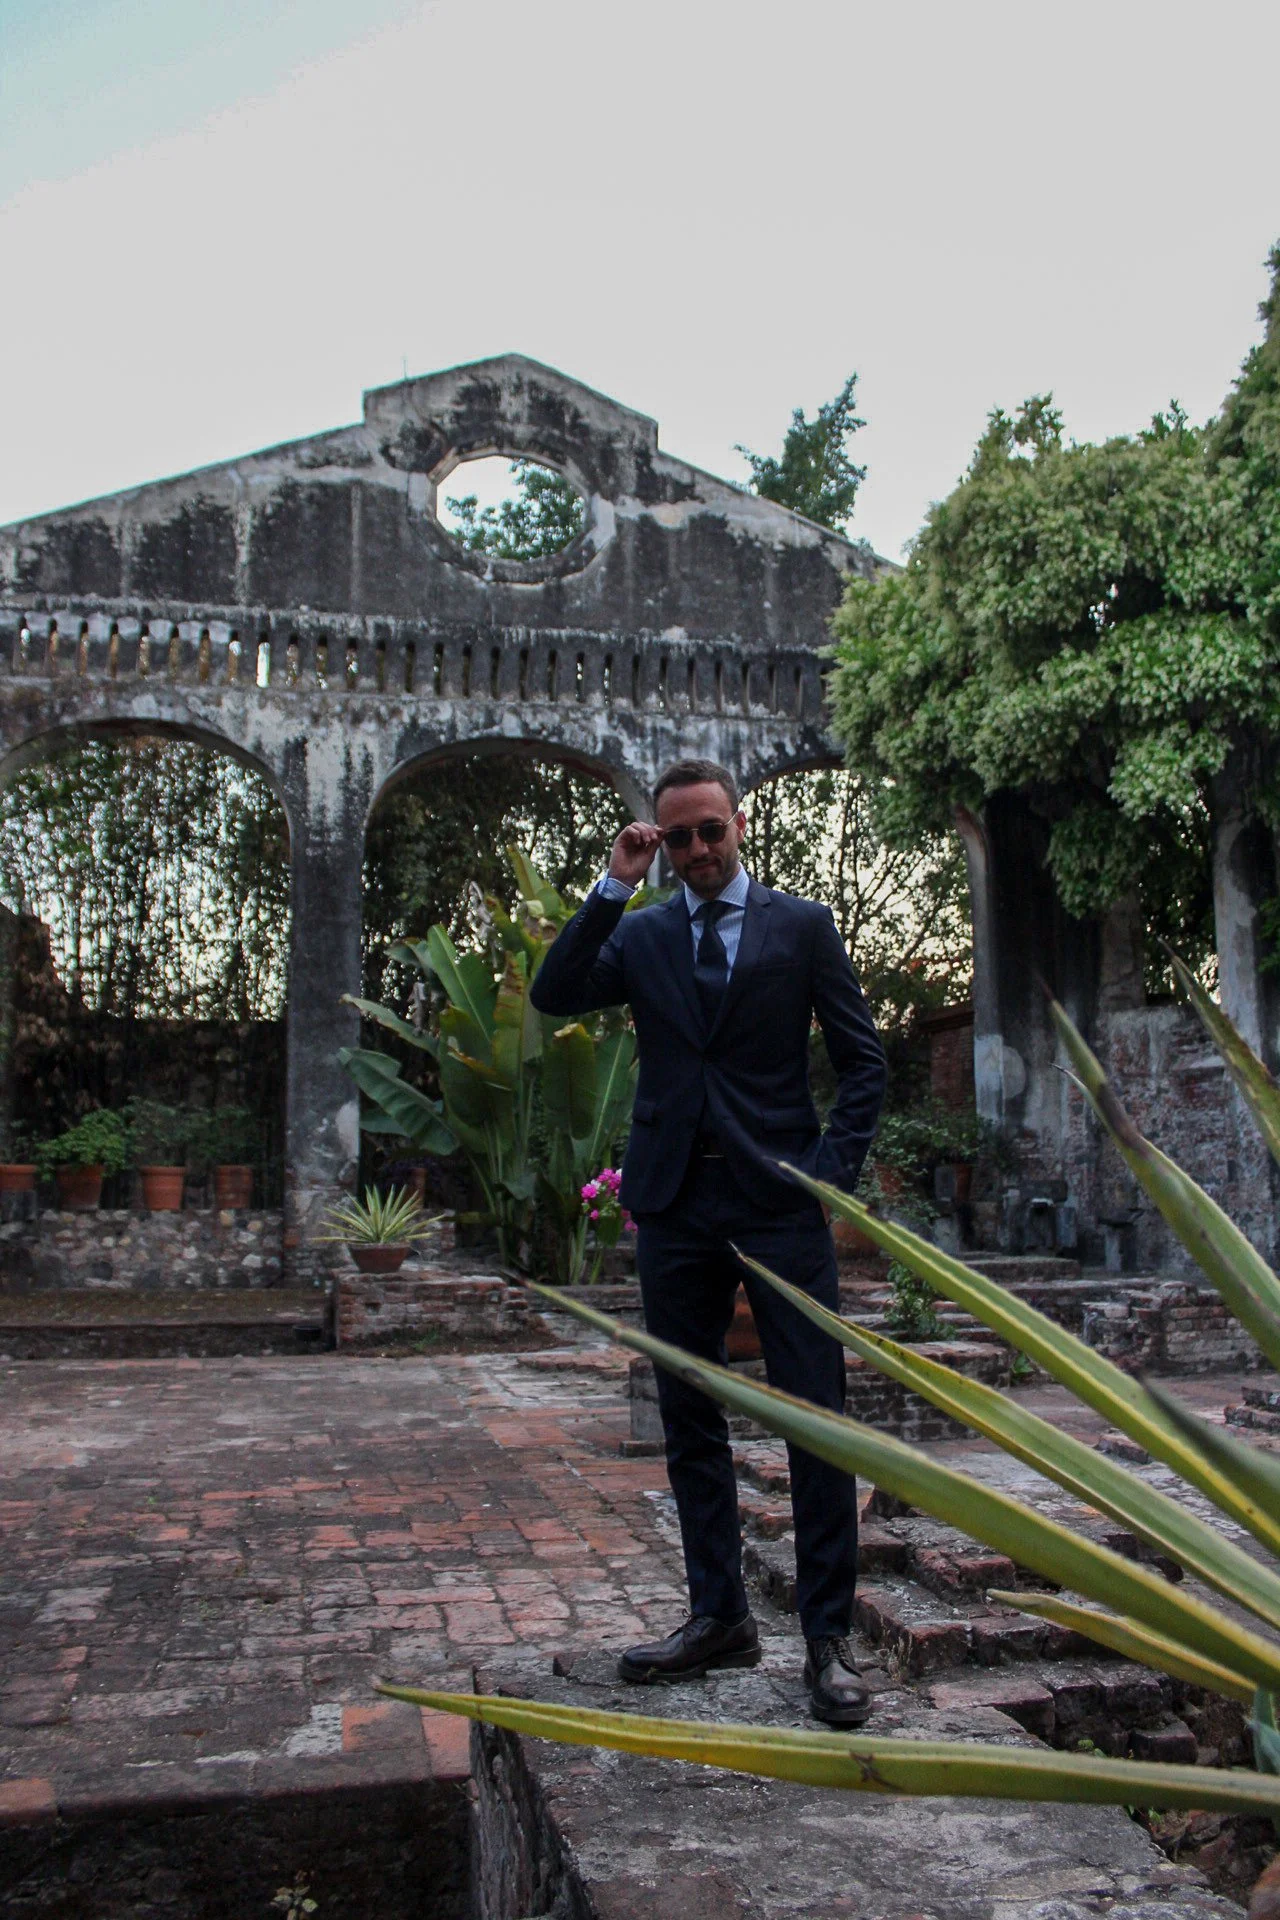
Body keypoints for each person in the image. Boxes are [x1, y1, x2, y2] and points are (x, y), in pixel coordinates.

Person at [530, 757, 887, 1724]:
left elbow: (864, 1064)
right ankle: (718, 1616)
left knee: (814, 1416)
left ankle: (827, 1639)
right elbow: (554, 991)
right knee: (690, 1418)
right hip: (673, 1202)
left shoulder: (800, 927)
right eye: (675, 836)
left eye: (707, 832)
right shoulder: (641, 935)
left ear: (739, 825)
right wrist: (613, 884)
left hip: (780, 1205)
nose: (693, 850)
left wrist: (829, 1179)